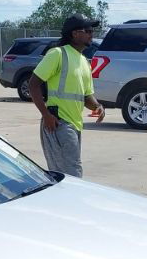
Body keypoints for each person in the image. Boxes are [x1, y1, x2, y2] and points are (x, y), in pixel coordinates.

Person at [28, 15, 105, 177]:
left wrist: (97, 106)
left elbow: (86, 96)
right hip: (58, 123)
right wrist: (46, 115)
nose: (92, 34)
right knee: (71, 174)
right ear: (75, 34)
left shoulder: (84, 61)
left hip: (75, 125)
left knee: (66, 174)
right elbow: (33, 84)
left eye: (93, 31)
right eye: (88, 31)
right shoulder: (57, 54)